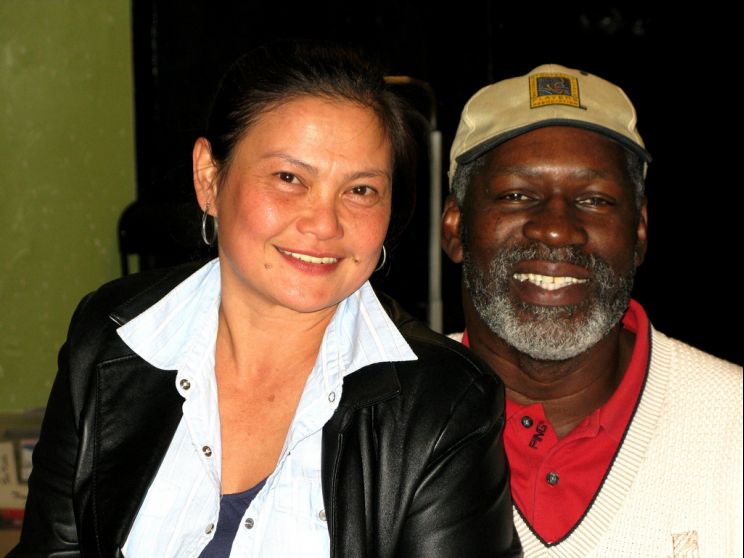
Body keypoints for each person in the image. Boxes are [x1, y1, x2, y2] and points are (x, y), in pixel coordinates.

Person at [10, 43, 521, 557]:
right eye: (289, 178)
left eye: (361, 190)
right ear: (209, 177)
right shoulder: (114, 333)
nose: (324, 224)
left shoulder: (445, 403)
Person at [442, 64, 742, 557]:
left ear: (639, 232)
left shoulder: (733, 422)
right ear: (455, 227)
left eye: (595, 200)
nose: (556, 229)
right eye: (517, 195)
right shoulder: (377, 420)